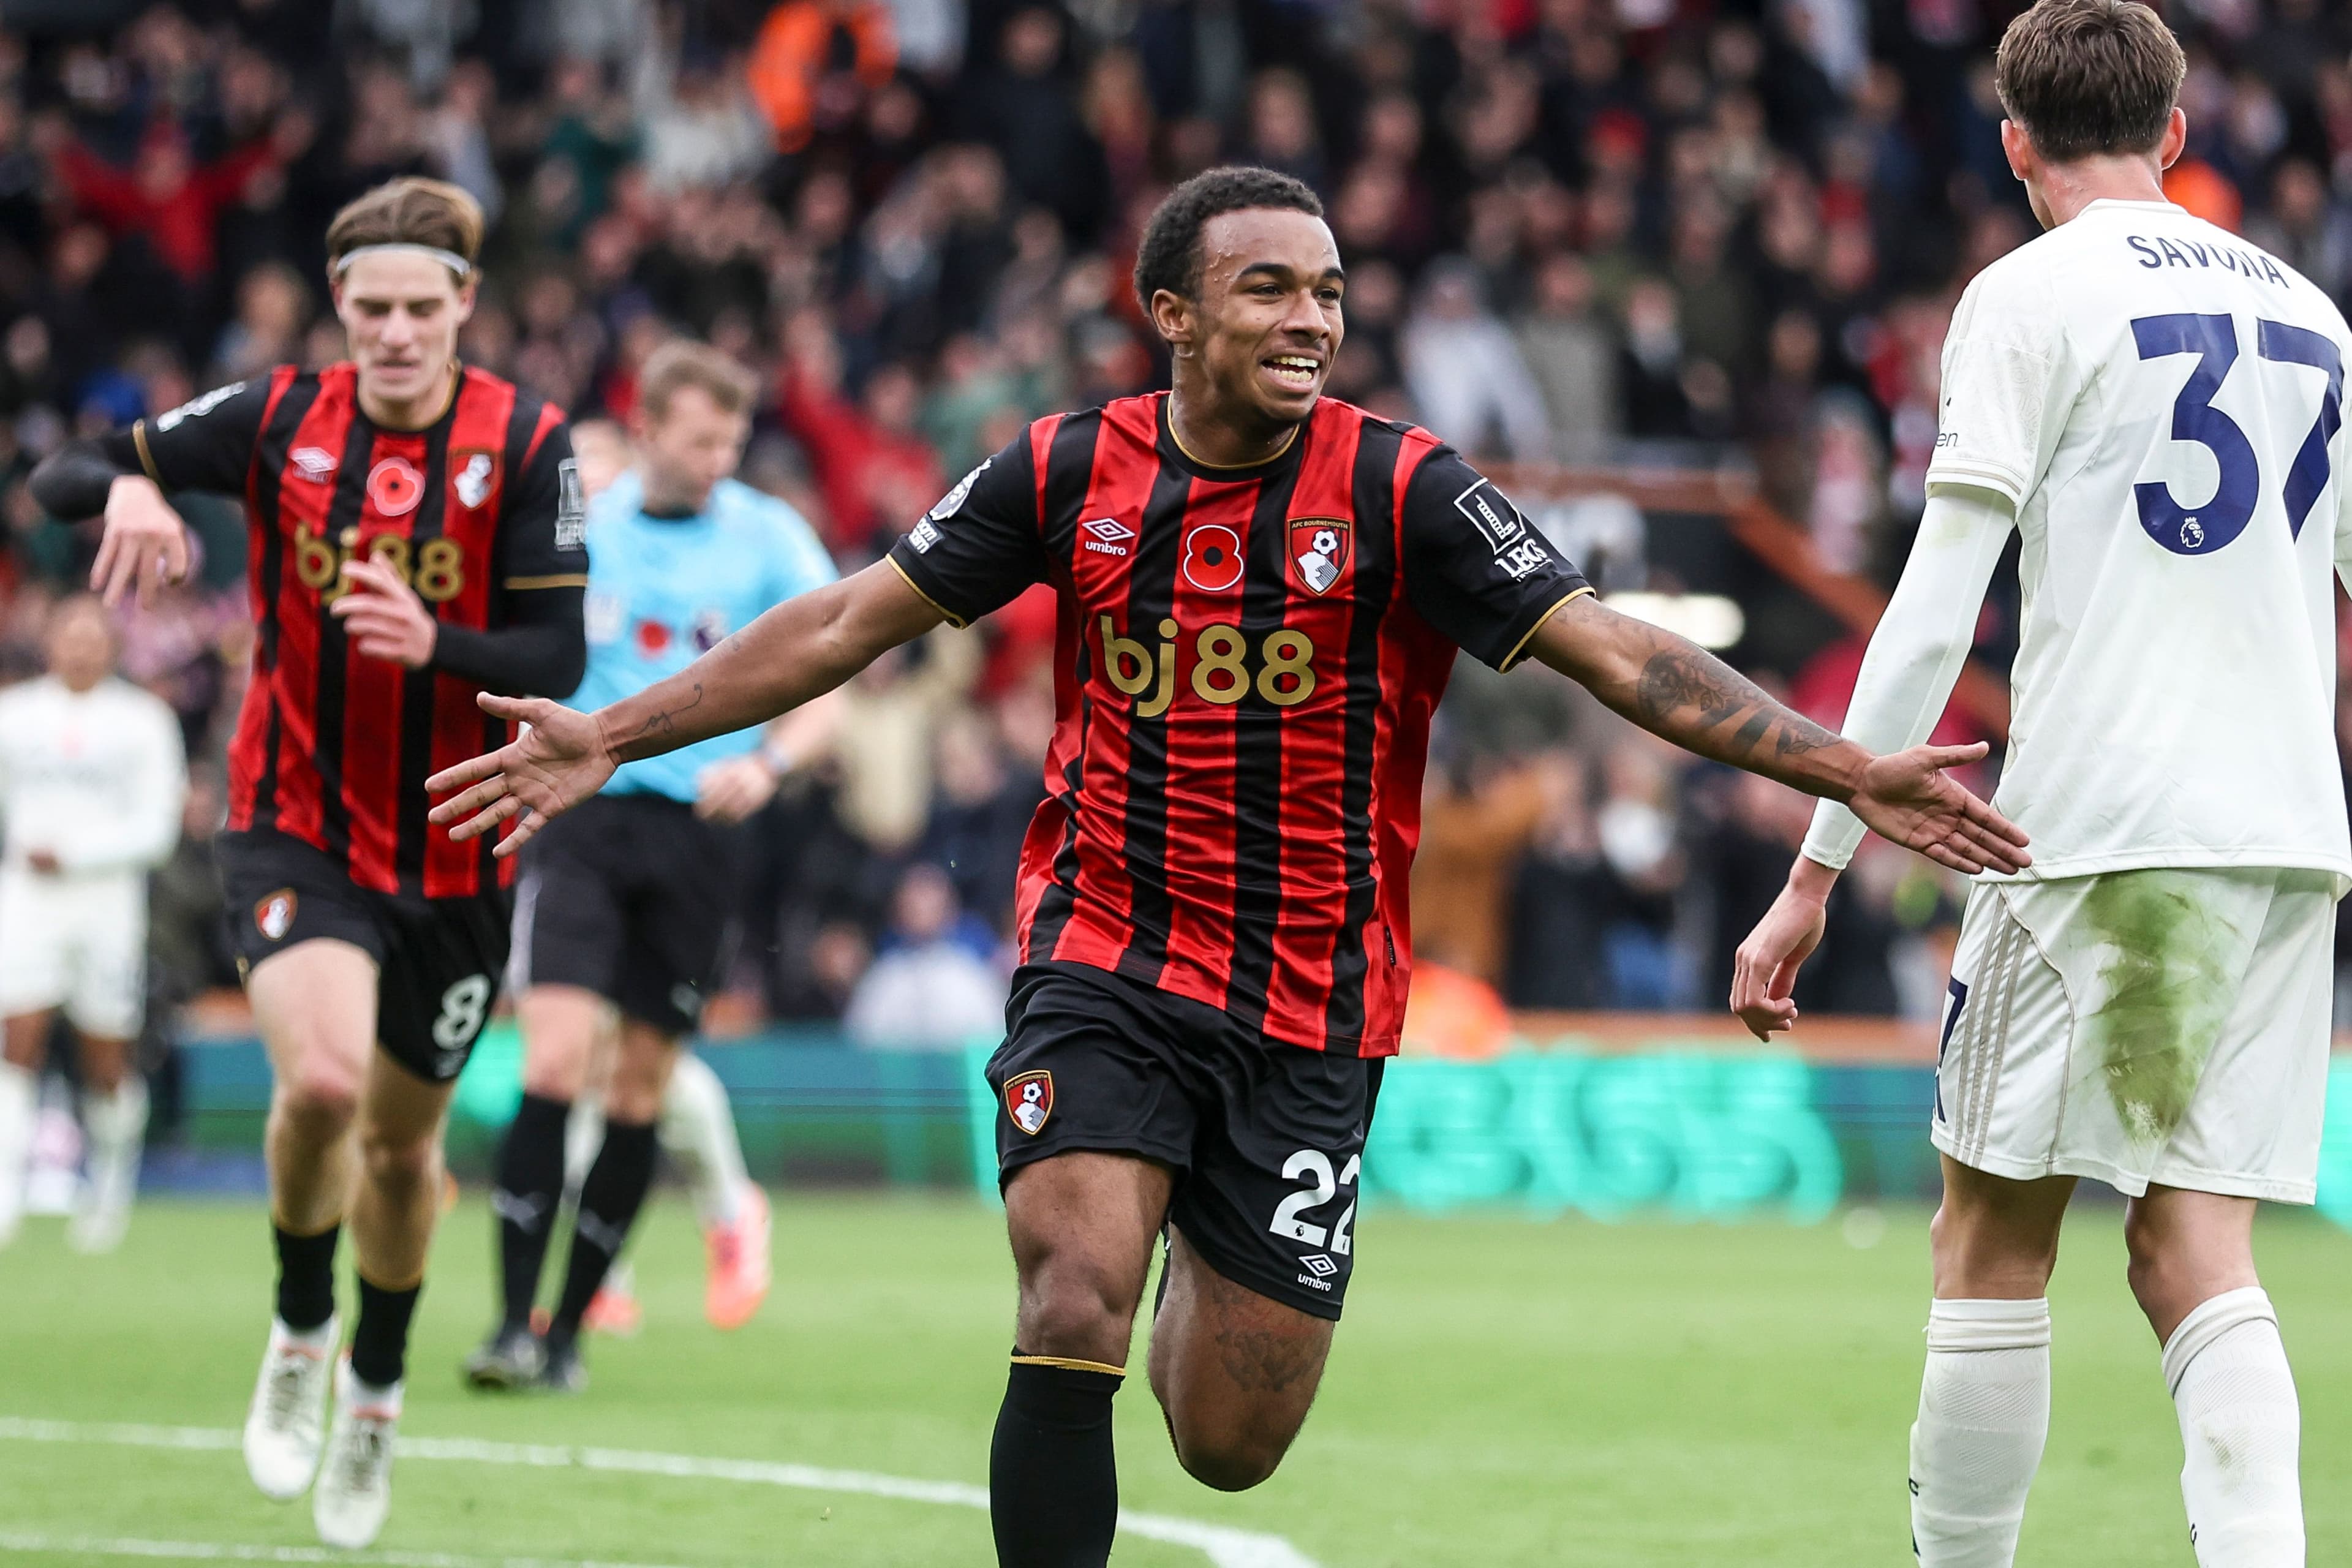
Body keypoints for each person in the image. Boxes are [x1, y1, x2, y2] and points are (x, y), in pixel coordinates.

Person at [428, 165, 2025, 1568]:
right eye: (1270, 288)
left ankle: (1204, 1216)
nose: (1311, 317)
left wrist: (1840, 766)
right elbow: (850, 619)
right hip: (1102, 955)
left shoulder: (1406, 486)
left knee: (1228, 1444)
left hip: (1315, 1003)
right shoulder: (1063, 471)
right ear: (1173, 313)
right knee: (1068, 1302)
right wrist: (612, 733)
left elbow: (1613, 653)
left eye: (1329, 291)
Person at [1730, 6, 2348, 1564]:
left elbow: (1939, 593)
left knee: (1987, 1239)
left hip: (2091, 828)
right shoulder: (2313, 316)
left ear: (2012, 145)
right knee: (2197, 1246)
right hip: (2279, 836)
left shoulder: (2024, 296)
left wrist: (1813, 858)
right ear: (2177, 131)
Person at [28, 176, 587, 1550]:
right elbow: (58, 471)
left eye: (421, 307)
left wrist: (438, 644)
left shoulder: (527, 441)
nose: (395, 332)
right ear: (341, 306)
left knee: (401, 1150)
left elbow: (557, 658)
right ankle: (297, 1323)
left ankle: (376, 1396)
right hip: (297, 817)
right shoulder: (278, 415)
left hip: (456, 840)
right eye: (371, 308)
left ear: (464, 303)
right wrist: (133, 494)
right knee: (324, 1083)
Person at [462, 341, 838, 1393]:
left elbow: (833, 676)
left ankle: (569, 1336)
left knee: (639, 1086)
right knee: (552, 1060)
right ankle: (507, 1322)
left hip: (701, 836)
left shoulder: (771, 538)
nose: (720, 457)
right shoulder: (588, 529)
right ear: (647, 432)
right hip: (584, 815)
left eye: (731, 439)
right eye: (701, 438)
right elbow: (517, 619)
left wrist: (769, 766)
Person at [0, 594, 186, 1254]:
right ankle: (7, 1193)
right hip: (27, 903)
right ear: (48, 640)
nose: (79, 647)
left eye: (91, 635)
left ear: (112, 645)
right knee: (15, 1039)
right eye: (67, 633)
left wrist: (74, 853)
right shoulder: (15, 715)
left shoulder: (144, 721)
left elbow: (158, 828)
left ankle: (109, 1185)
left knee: (105, 1056)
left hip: (108, 907)